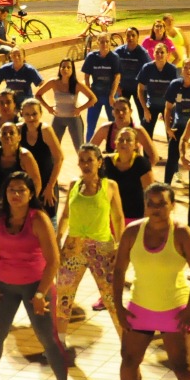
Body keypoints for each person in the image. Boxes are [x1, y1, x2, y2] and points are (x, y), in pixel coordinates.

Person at [106, 184, 190, 380]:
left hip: (174, 308)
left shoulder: (182, 233)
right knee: (129, 359)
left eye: (162, 203)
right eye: (151, 203)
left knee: (182, 365)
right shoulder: (132, 232)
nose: (156, 208)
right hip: (140, 306)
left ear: (172, 205)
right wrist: (119, 306)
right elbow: (118, 271)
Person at [0, 171, 74, 380]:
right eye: (11, 190)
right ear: (4, 193)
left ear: (31, 194)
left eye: (21, 190)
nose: (16, 195)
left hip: (37, 286)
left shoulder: (38, 219)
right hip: (3, 285)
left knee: (49, 339)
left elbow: (53, 261)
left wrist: (40, 295)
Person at [54, 144, 125, 344]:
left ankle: (126, 345)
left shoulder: (110, 186)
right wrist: (58, 238)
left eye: (90, 160)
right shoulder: (74, 184)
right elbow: (66, 214)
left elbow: (118, 218)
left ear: (99, 162)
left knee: (112, 298)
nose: (85, 164)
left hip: (102, 247)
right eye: (82, 160)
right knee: (64, 296)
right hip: (73, 247)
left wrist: (120, 246)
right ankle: (59, 343)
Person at [36, 59, 97, 152]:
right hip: (58, 118)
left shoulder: (77, 84)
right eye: (63, 67)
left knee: (79, 149)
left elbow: (93, 99)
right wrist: (48, 107)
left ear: (72, 70)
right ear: (59, 68)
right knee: (52, 148)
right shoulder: (53, 82)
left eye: (69, 67)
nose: (65, 69)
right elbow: (38, 94)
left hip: (73, 119)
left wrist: (80, 109)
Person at [162, 59, 190, 183]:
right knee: (172, 157)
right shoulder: (175, 85)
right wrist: (168, 128)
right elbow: (168, 107)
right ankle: (166, 184)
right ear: (182, 70)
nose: (188, 71)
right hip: (179, 125)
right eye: (186, 68)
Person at [102, 127, 155, 225]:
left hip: (134, 217)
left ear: (136, 145)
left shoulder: (141, 163)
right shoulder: (106, 162)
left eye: (129, 140)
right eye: (121, 140)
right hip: (109, 216)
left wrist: (148, 219)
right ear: (115, 143)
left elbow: (150, 194)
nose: (124, 143)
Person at [82, 33, 122, 138]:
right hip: (96, 96)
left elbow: (117, 77)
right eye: (102, 41)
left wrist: (112, 96)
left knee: (114, 124)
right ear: (97, 42)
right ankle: (88, 148)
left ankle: (112, 148)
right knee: (91, 125)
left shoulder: (114, 57)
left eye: (107, 41)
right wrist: (89, 93)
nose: (104, 44)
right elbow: (86, 76)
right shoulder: (91, 57)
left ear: (110, 43)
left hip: (110, 95)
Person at [94, 95, 157, 162]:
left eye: (124, 109)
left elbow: (154, 157)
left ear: (130, 111)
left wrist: (143, 170)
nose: (120, 113)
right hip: (111, 171)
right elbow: (88, 150)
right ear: (113, 113)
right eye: (117, 110)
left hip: (132, 171)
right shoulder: (105, 129)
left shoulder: (138, 130)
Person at [135, 43, 178, 134]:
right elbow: (140, 89)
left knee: (172, 135)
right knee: (145, 133)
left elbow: (178, 92)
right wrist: (145, 110)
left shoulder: (173, 70)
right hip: (151, 106)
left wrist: (172, 109)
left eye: (162, 52)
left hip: (168, 107)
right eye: (157, 52)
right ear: (153, 54)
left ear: (168, 54)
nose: (159, 55)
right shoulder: (147, 68)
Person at [114, 26, 151, 106]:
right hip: (122, 88)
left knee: (143, 113)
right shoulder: (118, 52)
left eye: (133, 35)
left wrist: (143, 89)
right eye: (128, 35)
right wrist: (117, 87)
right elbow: (113, 69)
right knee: (121, 110)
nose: (130, 38)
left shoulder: (143, 53)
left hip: (137, 88)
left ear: (138, 37)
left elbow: (148, 71)